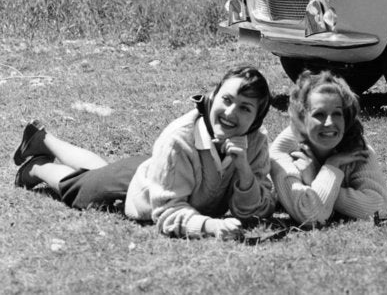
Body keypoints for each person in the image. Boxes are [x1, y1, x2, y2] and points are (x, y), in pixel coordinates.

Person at [13, 65, 277, 240]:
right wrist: (210, 226)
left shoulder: (255, 142)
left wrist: (244, 170)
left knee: (101, 171)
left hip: (161, 173)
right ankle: (36, 166)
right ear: (212, 97)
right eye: (227, 100)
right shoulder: (179, 139)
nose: (231, 113)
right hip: (146, 189)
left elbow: (257, 211)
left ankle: (40, 139)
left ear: (256, 119)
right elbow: (167, 213)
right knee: (80, 189)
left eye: (245, 108)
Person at [270, 70, 387, 227]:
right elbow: (311, 216)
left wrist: (317, 177)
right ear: (302, 117)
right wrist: (331, 168)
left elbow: (379, 207)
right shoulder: (283, 151)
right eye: (319, 114)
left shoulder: (355, 146)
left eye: (337, 114)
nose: (329, 123)